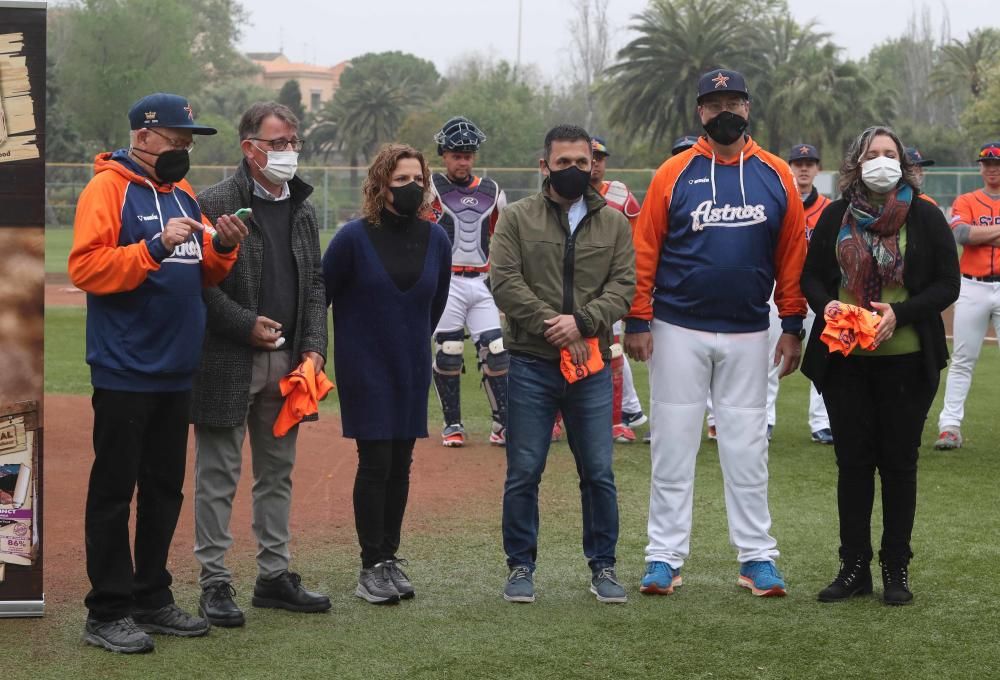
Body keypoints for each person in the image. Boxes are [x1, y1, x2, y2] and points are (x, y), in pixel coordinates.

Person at [68, 92, 247, 653]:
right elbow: (86, 268)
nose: (184, 150)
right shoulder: (108, 188)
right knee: (115, 492)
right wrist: (150, 246)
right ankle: (107, 610)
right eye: (177, 140)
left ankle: (152, 596)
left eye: (189, 142)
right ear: (143, 138)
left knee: (165, 490)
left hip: (176, 370)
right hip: (125, 370)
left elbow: (202, 272)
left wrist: (220, 245)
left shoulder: (182, 193)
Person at [624, 69, 806, 598]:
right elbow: (645, 248)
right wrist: (637, 317)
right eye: (713, 103)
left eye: (732, 101)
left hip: (751, 329)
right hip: (678, 325)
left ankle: (756, 557)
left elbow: (791, 252)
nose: (723, 110)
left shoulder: (775, 174)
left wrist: (792, 323)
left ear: (748, 107)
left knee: (747, 449)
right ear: (700, 112)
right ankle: (663, 556)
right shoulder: (673, 173)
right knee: (673, 446)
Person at [801, 125, 959, 605]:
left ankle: (896, 569)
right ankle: (853, 568)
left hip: (908, 363)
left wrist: (901, 313)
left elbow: (947, 285)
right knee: (852, 465)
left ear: (904, 161)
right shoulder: (835, 215)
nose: (882, 161)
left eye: (890, 153)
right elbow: (810, 276)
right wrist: (827, 305)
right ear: (857, 161)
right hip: (846, 361)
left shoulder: (926, 218)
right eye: (873, 153)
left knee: (899, 465)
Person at [191, 102, 330, 627]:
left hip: (289, 362)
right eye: (277, 143)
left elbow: (315, 284)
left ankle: (274, 576)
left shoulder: (302, 205)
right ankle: (215, 583)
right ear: (250, 148)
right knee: (218, 475)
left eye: (293, 141)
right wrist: (243, 323)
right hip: (229, 358)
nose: (288, 151)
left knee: (278, 474)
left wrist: (314, 346)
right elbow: (199, 287)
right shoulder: (214, 202)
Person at [492, 124, 635, 604]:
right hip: (532, 362)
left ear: (593, 164)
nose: (574, 170)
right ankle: (519, 567)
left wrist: (584, 323)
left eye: (582, 162)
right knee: (524, 469)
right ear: (544, 165)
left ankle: (604, 567)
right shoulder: (515, 218)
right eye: (564, 162)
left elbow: (624, 286)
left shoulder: (614, 223)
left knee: (597, 471)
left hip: (590, 365)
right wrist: (555, 325)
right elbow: (505, 282)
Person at [323, 143, 452, 604]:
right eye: (401, 181)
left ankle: (390, 557)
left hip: (411, 365)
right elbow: (322, 296)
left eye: (418, 179)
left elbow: (434, 306)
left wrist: (411, 343)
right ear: (380, 185)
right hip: (365, 366)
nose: (412, 187)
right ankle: (370, 564)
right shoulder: (352, 238)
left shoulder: (436, 239)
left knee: (401, 464)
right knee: (375, 462)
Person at [429, 117, 509, 447]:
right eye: (455, 154)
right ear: (444, 155)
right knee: (448, 352)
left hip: (482, 281)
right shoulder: (430, 188)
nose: (462, 161)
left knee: (496, 351)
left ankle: (502, 424)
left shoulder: (492, 191)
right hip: (447, 283)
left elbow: (503, 237)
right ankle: (452, 424)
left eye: (468, 155)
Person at [934, 141, 1000, 450]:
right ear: (980, 168)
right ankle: (949, 426)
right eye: (986, 164)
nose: (991, 169)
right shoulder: (967, 199)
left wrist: (981, 235)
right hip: (972, 286)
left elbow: (974, 235)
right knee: (962, 359)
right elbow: (962, 235)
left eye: (996, 164)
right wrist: (978, 235)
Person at [589, 136, 645, 444]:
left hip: (609, 287)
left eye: (600, 157)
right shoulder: (565, 193)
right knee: (563, 349)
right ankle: (556, 419)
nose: (595, 163)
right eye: (590, 156)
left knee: (612, 351)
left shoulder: (621, 194)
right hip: (572, 285)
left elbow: (636, 243)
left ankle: (616, 421)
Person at [789, 143, 834, 445]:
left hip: (817, 291)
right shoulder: (781, 201)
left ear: (818, 168)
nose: (804, 168)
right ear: (790, 167)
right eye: (799, 162)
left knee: (822, 352)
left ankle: (821, 422)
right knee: (770, 356)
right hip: (782, 287)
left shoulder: (829, 209)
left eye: (810, 162)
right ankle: (764, 420)